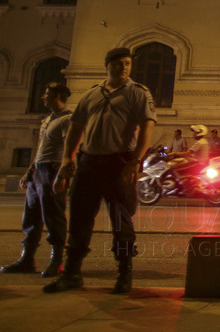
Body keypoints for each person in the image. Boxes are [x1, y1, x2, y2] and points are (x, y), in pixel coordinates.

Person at [43, 47, 156, 294]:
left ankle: (124, 274)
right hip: (88, 164)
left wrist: (136, 160)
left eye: (128, 63)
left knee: (121, 222)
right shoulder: (92, 94)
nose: (124, 67)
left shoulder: (138, 93)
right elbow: (76, 126)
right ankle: (72, 273)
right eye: (119, 63)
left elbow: (148, 126)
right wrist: (66, 159)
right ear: (108, 65)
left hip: (119, 165)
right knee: (80, 221)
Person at [1, 83, 72, 278]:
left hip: (53, 169)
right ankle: (27, 259)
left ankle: (56, 260)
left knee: (53, 216)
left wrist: (63, 175)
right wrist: (29, 171)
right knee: (31, 216)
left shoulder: (68, 119)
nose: (43, 97)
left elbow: (69, 149)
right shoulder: (48, 119)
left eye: (47, 94)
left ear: (58, 96)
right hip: (39, 170)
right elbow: (41, 149)